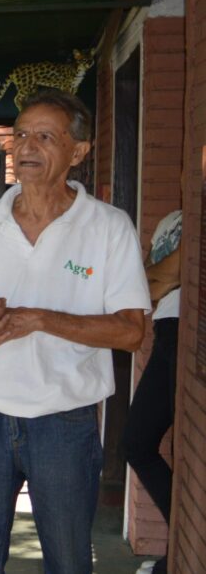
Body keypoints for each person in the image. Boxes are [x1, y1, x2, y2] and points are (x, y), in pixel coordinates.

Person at [0, 89, 150, 574]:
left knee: (69, 560)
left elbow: (131, 331)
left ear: (78, 152)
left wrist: (36, 318)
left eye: (44, 137)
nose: (26, 147)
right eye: (20, 135)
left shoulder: (108, 227)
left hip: (63, 420)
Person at [122, 209, 181, 574]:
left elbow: (158, 282)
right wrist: (156, 279)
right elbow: (141, 284)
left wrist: (157, 279)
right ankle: (177, 547)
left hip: (187, 330)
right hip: (166, 334)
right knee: (136, 443)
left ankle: (176, 553)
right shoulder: (171, 220)